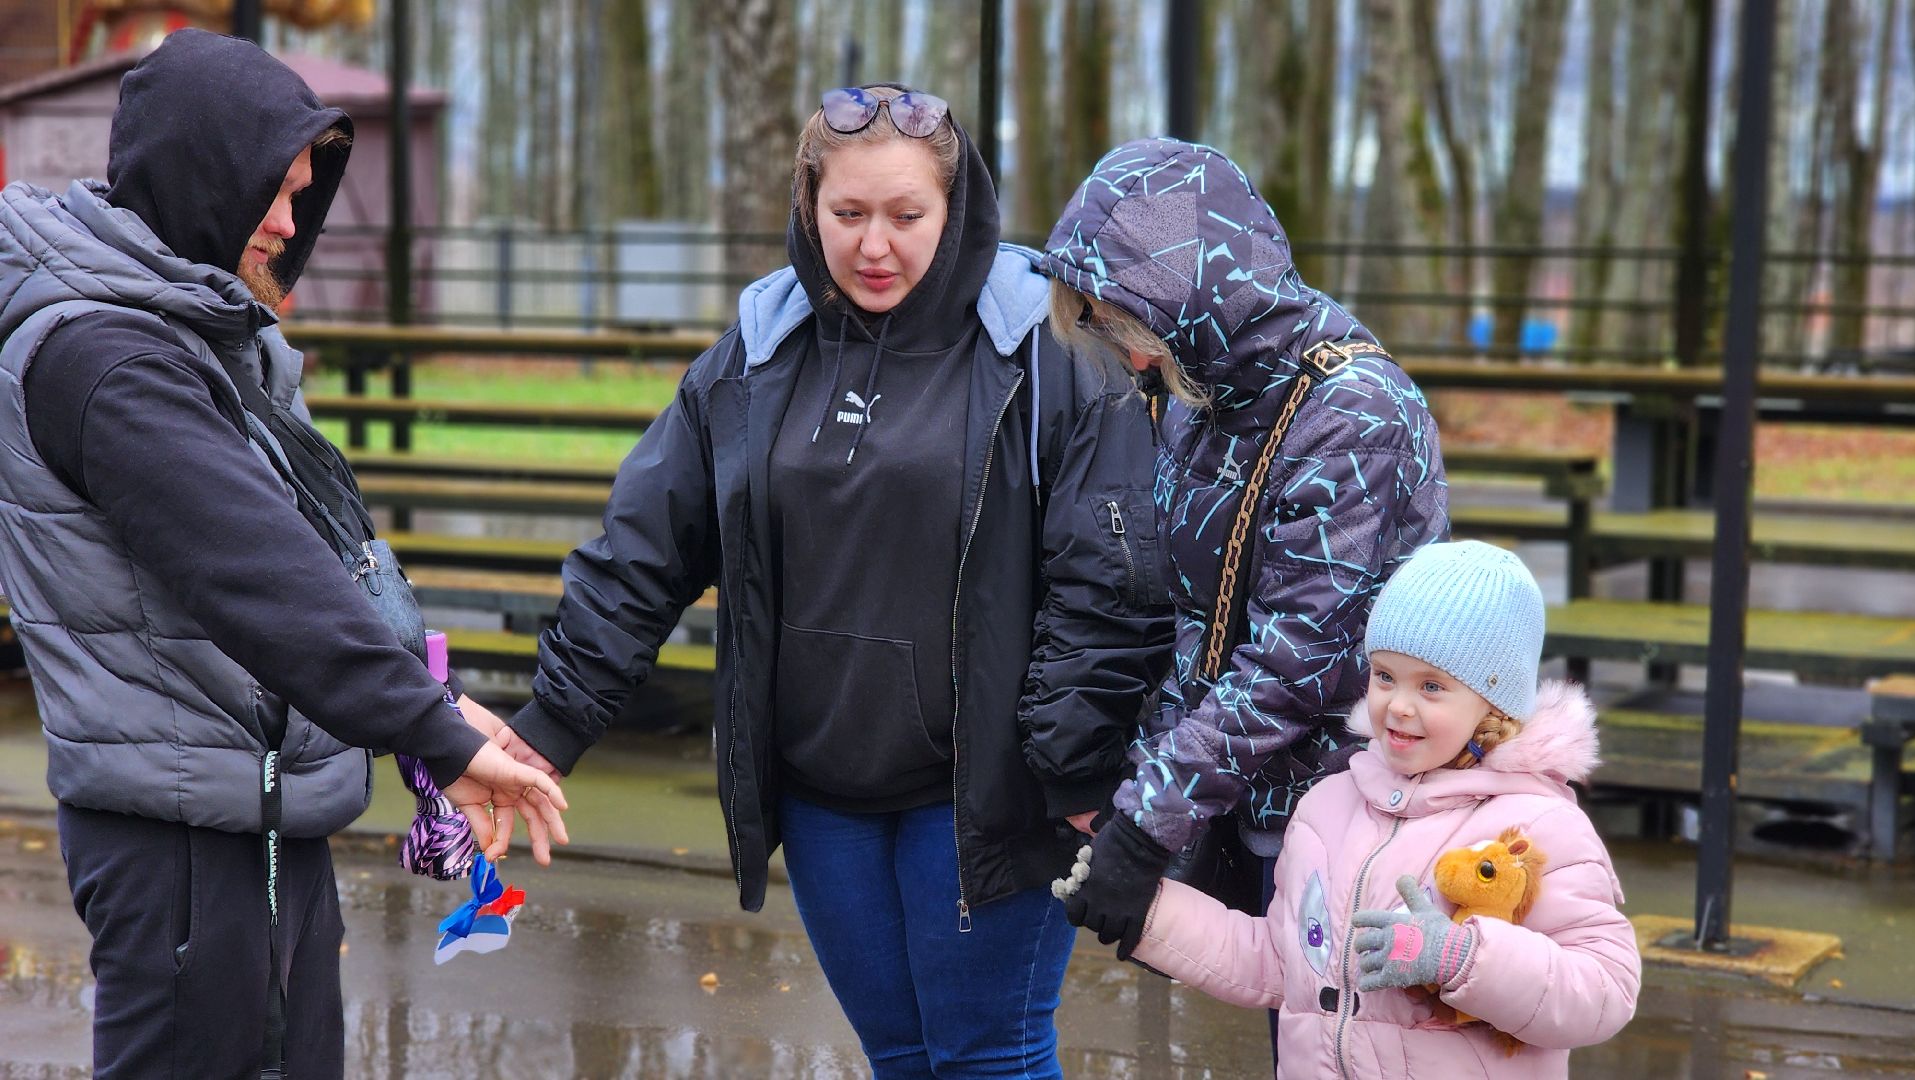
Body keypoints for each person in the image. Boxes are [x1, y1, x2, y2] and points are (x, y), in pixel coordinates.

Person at [496, 85, 1171, 1077]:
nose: (875, 246)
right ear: (809, 206)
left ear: (959, 208)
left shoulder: (1051, 345)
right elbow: (645, 546)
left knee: (985, 1057)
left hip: (986, 795)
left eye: (907, 215)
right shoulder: (761, 345)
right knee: (898, 1056)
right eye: (847, 214)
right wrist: (551, 725)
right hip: (824, 795)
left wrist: (1074, 772)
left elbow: (1109, 585)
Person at [0, 30, 566, 1078]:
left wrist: (438, 705)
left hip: (257, 811)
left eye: (305, 191)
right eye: (273, 187)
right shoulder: (107, 360)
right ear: (201, 176)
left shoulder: (206, 337)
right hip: (179, 837)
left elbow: (323, 546)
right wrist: (426, 729)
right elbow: (259, 572)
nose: (290, 220)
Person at [1038, 138, 1450, 961]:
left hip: (1355, 820)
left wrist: (1152, 822)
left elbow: (1295, 659)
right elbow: (1199, 618)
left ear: (1193, 301)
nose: (1131, 357)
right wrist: (1143, 792)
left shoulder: (1354, 416)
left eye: (1131, 328)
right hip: (1259, 808)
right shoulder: (1210, 395)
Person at [1115, 540, 1641, 1076]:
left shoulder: (1540, 825)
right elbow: (1279, 960)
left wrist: (1460, 958)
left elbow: (1605, 987)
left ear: (1494, 704)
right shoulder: (1329, 806)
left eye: (1432, 686)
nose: (1399, 705)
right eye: (1385, 676)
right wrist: (1145, 910)